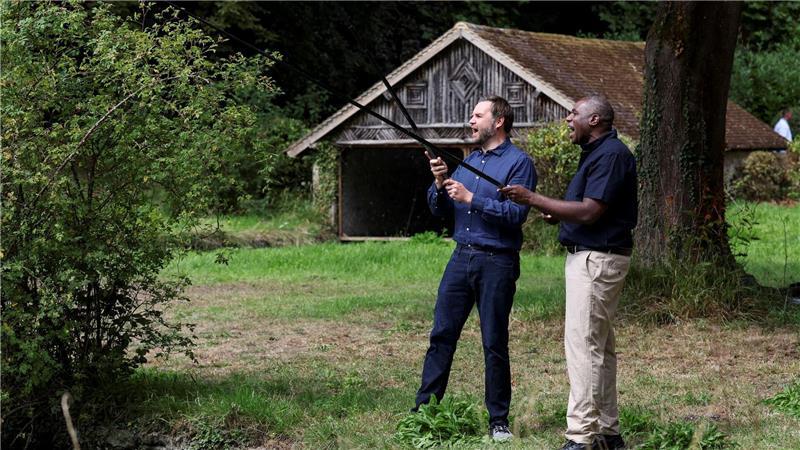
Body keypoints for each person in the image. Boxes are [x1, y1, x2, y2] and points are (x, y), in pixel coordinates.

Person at [501, 95, 637, 450]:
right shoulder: (596, 154)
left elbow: (591, 212)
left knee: (584, 348)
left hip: (596, 260)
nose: (567, 119)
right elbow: (583, 208)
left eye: (573, 113)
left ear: (594, 120)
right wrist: (555, 211)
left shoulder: (611, 155)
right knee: (600, 349)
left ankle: (581, 436)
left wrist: (532, 199)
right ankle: (608, 433)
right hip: (592, 257)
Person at [414, 96, 537, 442]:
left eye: (477, 115)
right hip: (460, 258)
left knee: (493, 341)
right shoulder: (467, 162)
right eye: (472, 115)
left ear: (498, 121)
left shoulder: (519, 163)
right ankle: (425, 412)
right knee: (441, 336)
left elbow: (516, 216)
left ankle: (498, 420)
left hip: (497, 261)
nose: (471, 121)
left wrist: (472, 199)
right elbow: (439, 211)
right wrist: (440, 184)